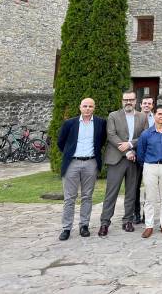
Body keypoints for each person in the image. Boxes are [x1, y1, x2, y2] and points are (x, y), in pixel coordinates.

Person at [99, 91, 148, 236]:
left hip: (134, 160)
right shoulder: (113, 116)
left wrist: (131, 145)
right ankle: (104, 223)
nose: (128, 102)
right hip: (117, 159)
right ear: (122, 101)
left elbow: (144, 135)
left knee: (131, 192)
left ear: (135, 101)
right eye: (125, 100)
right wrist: (126, 151)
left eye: (131, 99)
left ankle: (128, 220)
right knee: (111, 193)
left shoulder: (142, 116)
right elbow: (111, 135)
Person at [57, 98, 106, 241]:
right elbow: (61, 142)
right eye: (85, 106)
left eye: (90, 106)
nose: (87, 109)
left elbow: (101, 141)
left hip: (91, 163)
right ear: (80, 107)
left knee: (87, 196)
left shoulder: (100, 123)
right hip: (72, 163)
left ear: (94, 108)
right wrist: (69, 154)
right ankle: (66, 228)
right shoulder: (69, 123)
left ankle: (84, 225)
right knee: (69, 198)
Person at [137, 105, 162, 238]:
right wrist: (148, 164)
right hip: (150, 166)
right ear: (154, 115)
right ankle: (149, 226)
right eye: (159, 114)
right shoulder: (146, 134)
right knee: (150, 198)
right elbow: (141, 153)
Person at [132, 95, 155, 223]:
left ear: (152, 105)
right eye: (144, 103)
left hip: (151, 157)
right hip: (136, 156)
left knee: (149, 188)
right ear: (140, 105)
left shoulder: (156, 118)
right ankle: (136, 213)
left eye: (149, 103)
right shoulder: (134, 117)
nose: (147, 105)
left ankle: (147, 214)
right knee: (135, 186)